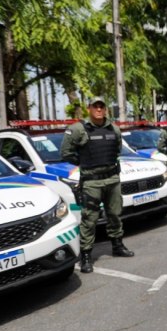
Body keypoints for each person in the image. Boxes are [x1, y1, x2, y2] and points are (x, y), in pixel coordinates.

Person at [60, 96, 134, 274]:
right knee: (89, 219)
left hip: (112, 179)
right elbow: (66, 153)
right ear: (89, 109)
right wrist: (85, 162)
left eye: (102, 106)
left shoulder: (113, 129)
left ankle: (117, 245)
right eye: (95, 106)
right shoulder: (78, 129)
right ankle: (86, 256)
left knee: (115, 214)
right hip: (92, 182)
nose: (99, 109)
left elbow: (117, 149)